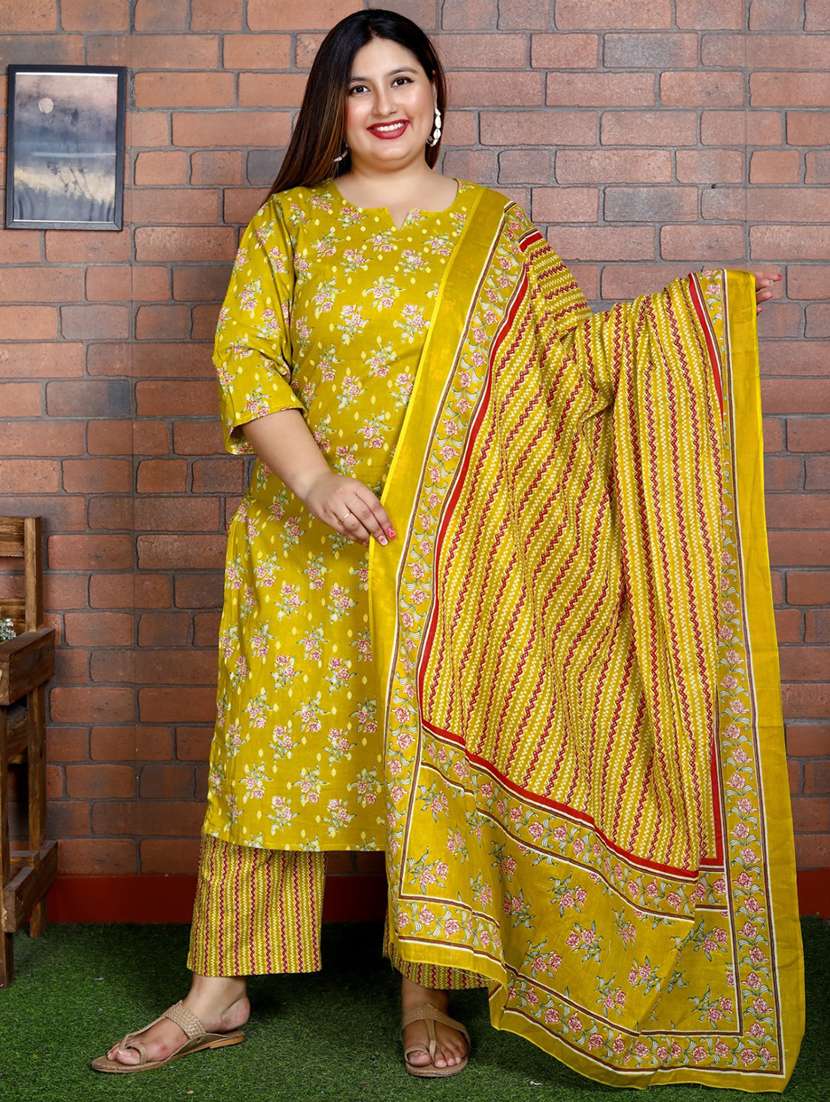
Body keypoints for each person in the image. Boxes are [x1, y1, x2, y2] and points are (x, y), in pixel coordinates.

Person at [92, 8, 803, 1090]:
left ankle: (425, 986)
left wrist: (698, 322)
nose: (381, 105)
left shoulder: (495, 232)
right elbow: (248, 360)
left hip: (450, 558)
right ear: (332, 110)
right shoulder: (290, 225)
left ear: (435, 98)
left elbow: (573, 367)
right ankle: (216, 988)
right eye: (357, 87)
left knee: (428, 757)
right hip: (301, 540)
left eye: (400, 81)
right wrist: (317, 481)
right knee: (263, 763)